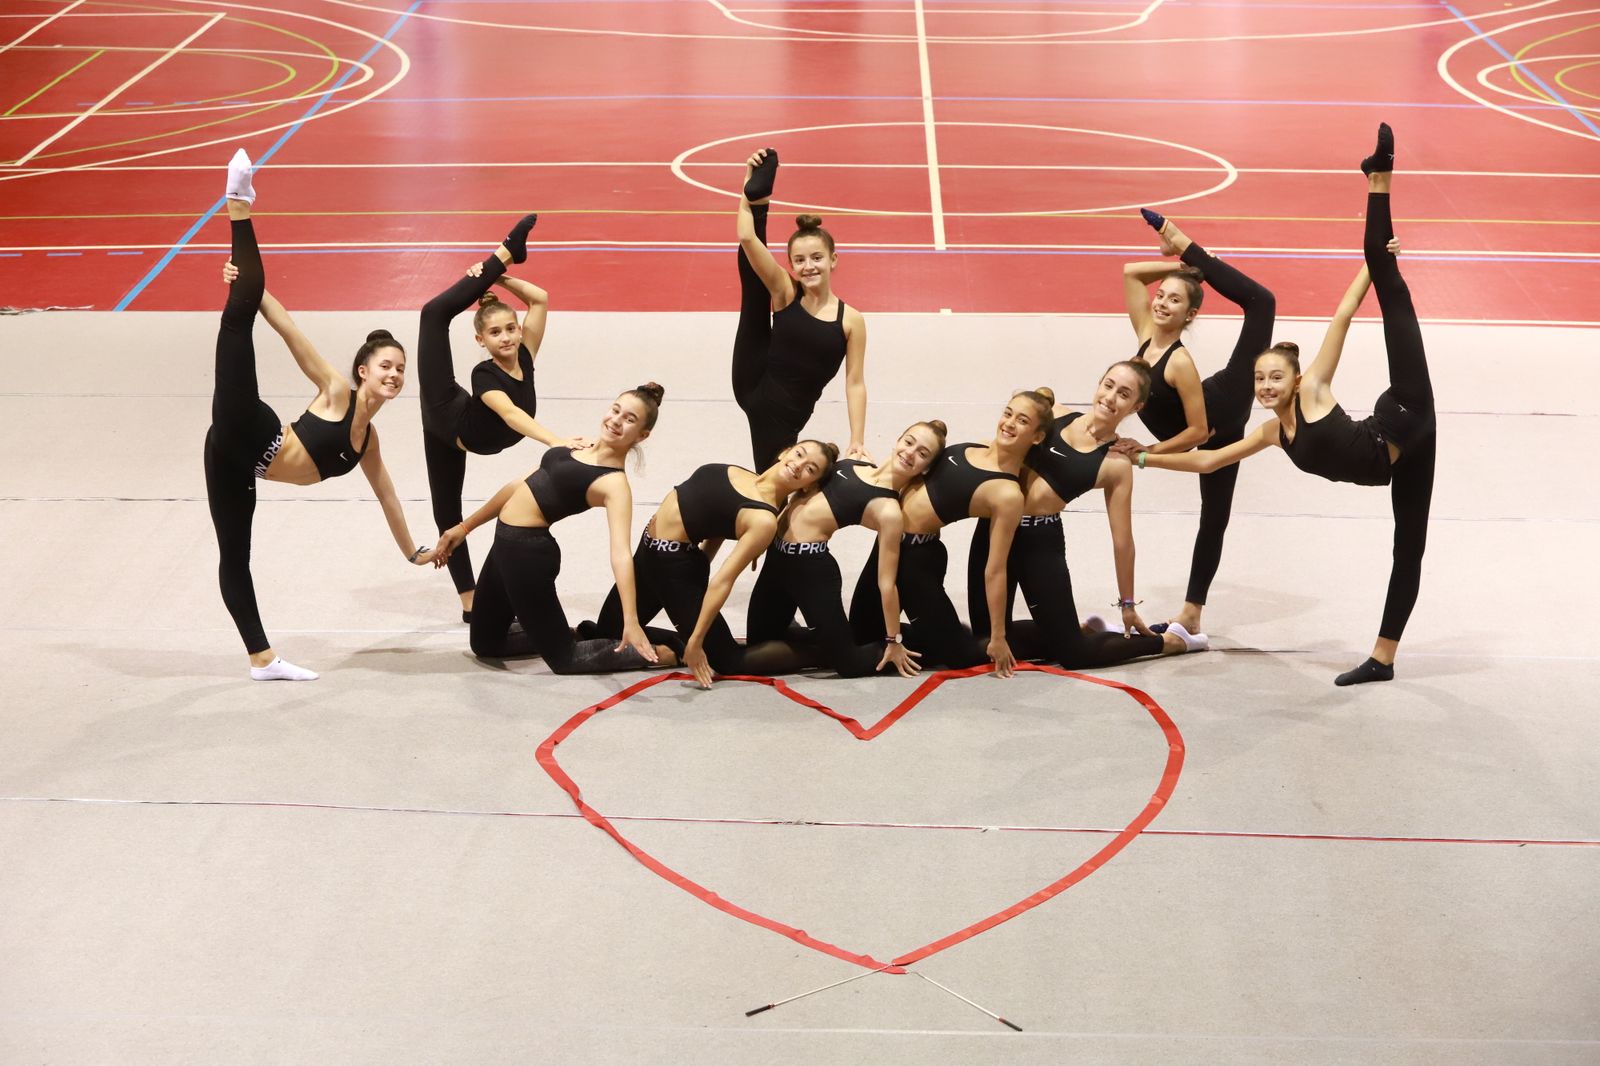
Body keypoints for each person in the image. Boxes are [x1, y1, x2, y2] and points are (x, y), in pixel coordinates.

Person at [1135, 124, 1433, 686]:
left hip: (1410, 409)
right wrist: (1144, 458)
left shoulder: (1315, 385)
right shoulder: (1272, 432)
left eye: (1275, 378)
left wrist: (1374, 264)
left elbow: (1343, 314)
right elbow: (1207, 460)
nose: (1266, 387)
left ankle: (1380, 177)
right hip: (1399, 456)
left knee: (1392, 288)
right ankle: (1383, 659)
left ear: (1295, 381)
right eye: (1260, 380)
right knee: (1408, 548)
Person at [208, 150, 433, 681]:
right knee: (239, 320)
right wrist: (252, 289)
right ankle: (239, 203)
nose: (395, 374)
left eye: (401, 369)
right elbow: (288, 330)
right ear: (362, 370)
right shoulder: (336, 390)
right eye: (386, 365)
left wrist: (412, 553)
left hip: (235, 465)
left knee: (235, 557)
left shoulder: (369, 440)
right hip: (246, 427)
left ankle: (262, 661)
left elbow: (388, 496)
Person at [967, 363, 1208, 668]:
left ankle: (1168, 641)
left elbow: (1123, 542)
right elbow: (1017, 406)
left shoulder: (1115, 463)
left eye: (1124, 394)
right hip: (993, 528)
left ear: (1137, 406)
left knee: (1073, 655)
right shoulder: (1054, 413)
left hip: (1038, 542)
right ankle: (1077, 630)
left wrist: (1128, 604)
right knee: (984, 640)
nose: (1110, 397)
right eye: (1107, 385)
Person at [431, 385, 678, 673]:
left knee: (566, 659)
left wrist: (631, 620)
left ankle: (664, 653)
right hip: (503, 544)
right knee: (485, 643)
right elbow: (520, 484)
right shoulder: (578, 445)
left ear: (642, 435)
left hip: (528, 555)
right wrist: (464, 527)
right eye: (615, 409)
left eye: (630, 419)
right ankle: (573, 633)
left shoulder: (614, 485)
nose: (616, 420)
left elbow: (621, 554)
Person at [417, 216, 587, 621]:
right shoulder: (483, 375)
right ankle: (468, 599)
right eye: (496, 333)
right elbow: (510, 415)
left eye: (511, 328)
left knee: (448, 510)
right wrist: (554, 440)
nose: (508, 337)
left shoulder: (525, 354)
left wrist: (501, 280)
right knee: (432, 314)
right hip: (446, 418)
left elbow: (541, 299)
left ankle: (507, 255)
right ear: (481, 341)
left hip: (465, 426)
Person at [1117, 211, 1277, 635]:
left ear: (1189, 316)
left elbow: (1197, 435)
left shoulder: (1180, 362)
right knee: (1215, 515)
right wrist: (1186, 269)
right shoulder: (1145, 335)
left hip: (1221, 410)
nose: (1162, 302)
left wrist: (1147, 454)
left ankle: (1191, 610)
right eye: (1163, 296)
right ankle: (1193, 613)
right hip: (1205, 406)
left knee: (1263, 303)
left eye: (1175, 300)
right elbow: (1132, 275)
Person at [590, 441, 839, 687]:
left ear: (810, 485)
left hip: (672, 568)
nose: (798, 465)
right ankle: (679, 645)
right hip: (650, 552)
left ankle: (827, 651)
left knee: (729, 659)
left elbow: (723, 581)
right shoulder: (743, 474)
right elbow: (718, 520)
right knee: (608, 631)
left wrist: (697, 641)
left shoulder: (764, 520)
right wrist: (701, 563)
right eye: (799, 454)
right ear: (785, 451)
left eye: (810, 469)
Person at [850, 392, 1047, 678]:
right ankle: (944, 629)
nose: (1009, 423)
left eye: (1022, 420)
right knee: (862, 635)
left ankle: (1042, 636)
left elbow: (995, 569)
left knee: (959, 656)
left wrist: (998, 635)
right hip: (888, 544)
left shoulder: (1008, 494)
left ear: (1037, 436)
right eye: (1008, 413)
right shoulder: (979, 446)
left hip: (917, 561)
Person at [745, 421, 948, 678]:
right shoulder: (855, 463)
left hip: (811, 571)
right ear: (898, 440)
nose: (910, 453)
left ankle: (921, 646)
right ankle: (831, 642)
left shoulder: (888, 511)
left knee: (848, 663)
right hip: (777, 559)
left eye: (922, 453)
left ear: (927, 467)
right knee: (759, 641)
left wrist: (894, 640)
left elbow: (886, 583)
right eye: (909, 442)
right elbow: (800, 495)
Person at [732, 148, 868, 467]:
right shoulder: (787, 292)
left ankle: (760, 203)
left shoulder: (851, 321)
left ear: (833, 260)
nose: (808, 266)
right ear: (791, 263)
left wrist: (857, 439)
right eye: (799, 260)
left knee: (777, 478)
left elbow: (855, 382)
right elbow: (747, 239)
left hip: (788, 414)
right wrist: (747, 185)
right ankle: (759, 202)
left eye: (816, 258)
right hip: (755, 380)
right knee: (755, 284)